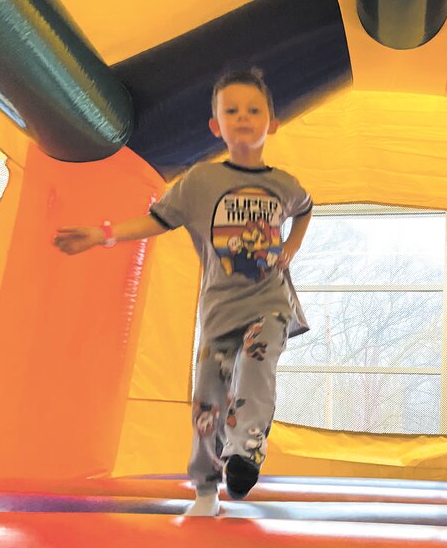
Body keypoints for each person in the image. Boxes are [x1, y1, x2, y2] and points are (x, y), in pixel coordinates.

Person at [54, 69, 313, 515]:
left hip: (268, 304)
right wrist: (104, 234)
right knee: (208, 403)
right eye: (231, 111)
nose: (244, 118)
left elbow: (306, 209)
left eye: (254, 110)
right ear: (216, 126)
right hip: (217, 313)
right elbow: (156, 220)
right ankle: (206, 492)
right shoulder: (199, 183)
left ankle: (247, 447)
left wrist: (290, 244)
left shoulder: (284, 184)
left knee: (258, 357)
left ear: (272, 122)